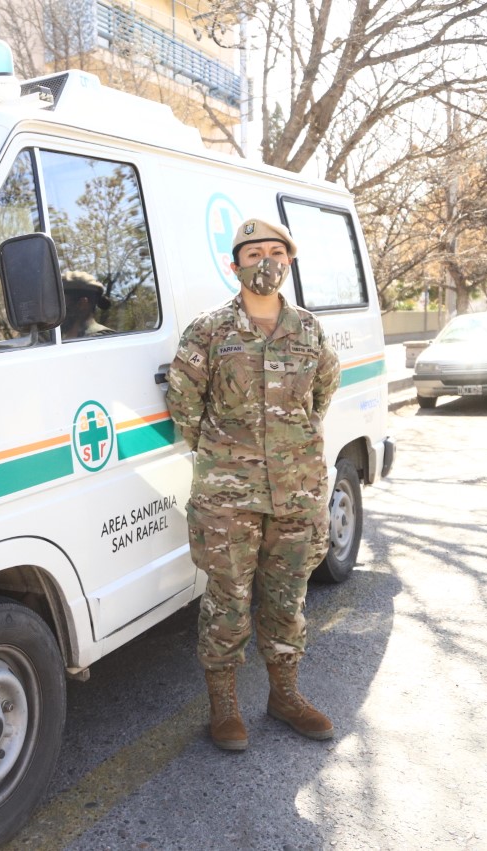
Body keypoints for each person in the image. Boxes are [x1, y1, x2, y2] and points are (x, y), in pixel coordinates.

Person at [164, 217, 341, 751]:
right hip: (228, 496)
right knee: (228, 602)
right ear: (234, 264)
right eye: (254, 253)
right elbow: (183, 402)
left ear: (290, 261)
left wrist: (291, 448)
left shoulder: (308, 329)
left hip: (298, 491)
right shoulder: (209, 330)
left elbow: (322, 394)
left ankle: (284, 697)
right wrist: (225, 456)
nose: (266, 262)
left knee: (288, 601)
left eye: (276, 252)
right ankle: (224, 709)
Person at [61, 271, 115, 339]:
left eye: (61, 303)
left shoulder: (102, 338)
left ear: (82, 303)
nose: (57, 309)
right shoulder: (60, 337)